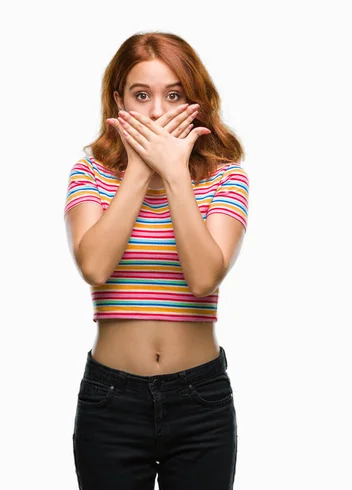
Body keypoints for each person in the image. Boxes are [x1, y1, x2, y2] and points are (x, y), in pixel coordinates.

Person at [64, 31, 249, 490]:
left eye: (173, 95)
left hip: (200, 401)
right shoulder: (89, 172)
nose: (156, 111)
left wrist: (175, 175)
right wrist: (141, 168)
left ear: (196, 102)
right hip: (111, 399)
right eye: (141, 95)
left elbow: (205, 276)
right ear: (118, 101)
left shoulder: (227, 179)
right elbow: (94, 267)